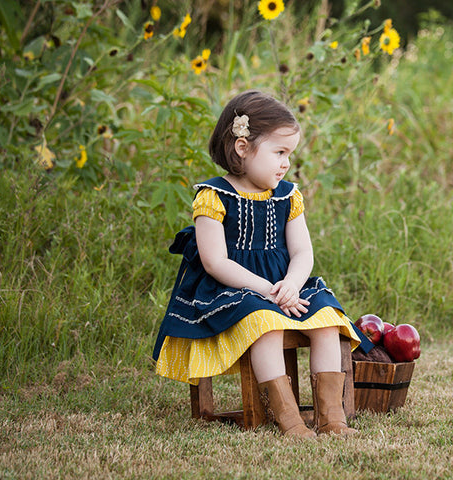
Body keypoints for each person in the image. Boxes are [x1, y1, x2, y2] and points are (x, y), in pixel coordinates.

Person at [152, 90, 373, 438]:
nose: (286, 163)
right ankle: (289, 421)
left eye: (290, 154)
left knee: (327, 322)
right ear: (243, 148)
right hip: (233, 289)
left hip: (286, 284)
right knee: (265, 325)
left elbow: (302, 253)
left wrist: (291, 285)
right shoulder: (212, 196)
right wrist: (269, 292)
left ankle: (332, 419)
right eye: (279, 152)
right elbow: (215, 262)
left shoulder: (288, 195)